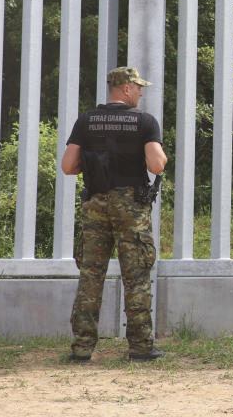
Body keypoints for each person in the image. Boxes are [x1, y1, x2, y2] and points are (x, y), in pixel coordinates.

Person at [61, 66, 168, 363]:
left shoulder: (87, 121)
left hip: (95, 203)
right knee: (136, 276)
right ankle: (141, 348)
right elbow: (157, 165)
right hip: (131, 206)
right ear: (126, 88)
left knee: (91, 276)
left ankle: (82, 349)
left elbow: (68, 166)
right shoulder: (144, 122)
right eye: (138, 87)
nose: (141, 92)